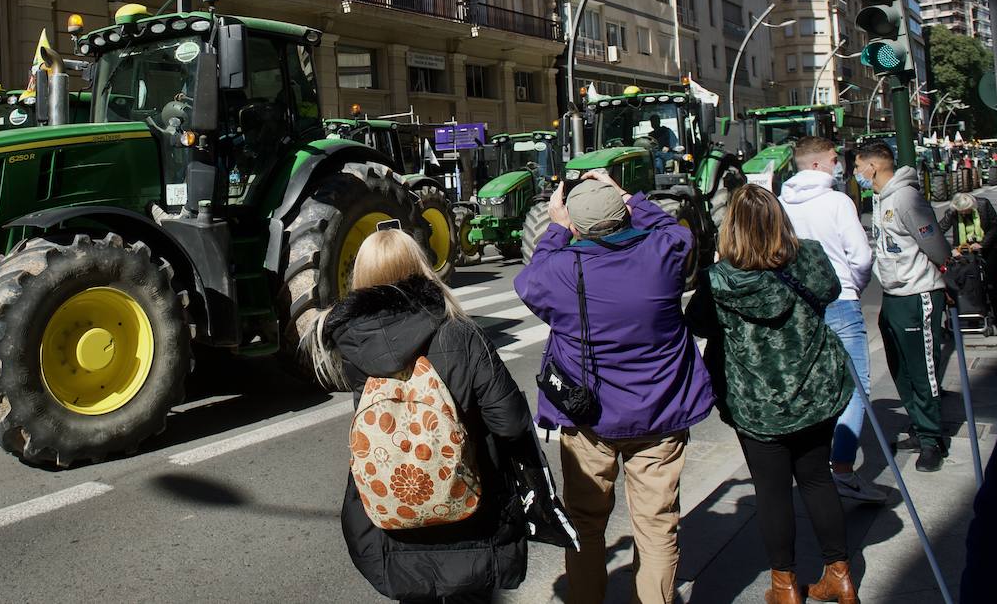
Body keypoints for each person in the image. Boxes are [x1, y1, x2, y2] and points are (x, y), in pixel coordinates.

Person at [307, 227, 565, 603]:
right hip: (471, 514)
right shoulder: (461, 333)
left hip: (396, 515)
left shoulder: (352, 344)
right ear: (420, 267)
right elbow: (509, 422)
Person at [516, 171, 712, 604]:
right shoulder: (664, 252)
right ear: (624, 214)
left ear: (576, 226)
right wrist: (627, 193)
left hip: (589, 421)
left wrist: (554, 227)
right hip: (661, 415)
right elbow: (672, 228)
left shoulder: (560, 270)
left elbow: (530, 278)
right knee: (658, 526)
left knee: (586, 524)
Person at [687, 185, 855, 604]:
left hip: (755, 401)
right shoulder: (810, 255)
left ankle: (785, 586)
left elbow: (698, 324)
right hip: (815, 390)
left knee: (773, 491)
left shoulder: (720, 279)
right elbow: (831, 291)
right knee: (818, 480)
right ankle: (841, 576)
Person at [778, 137, 886, 504]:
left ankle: (812, 465)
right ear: (817, 165)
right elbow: (860, 255)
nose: (839, 164)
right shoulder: (838, 202)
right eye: (833, 159)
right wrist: (852, 287)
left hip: (799, 307)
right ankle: (842, 468)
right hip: (840, 301)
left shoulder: (780, 205)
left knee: (812, 386)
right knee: (855, 385)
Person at [855, 141, 952, 472]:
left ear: (874, 167)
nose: (856, 174)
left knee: (923, 369)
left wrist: (945, 274)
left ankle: (932, 438)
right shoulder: (879, 197)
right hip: (893, 294)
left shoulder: (905, 197)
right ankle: (918, 423)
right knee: (900, 367)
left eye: (858, 167)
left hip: (917, 292)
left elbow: (933, 241)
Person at [941, 191, 997, 315]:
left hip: (988, 249)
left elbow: (995, 226)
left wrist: (982, 244)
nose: (963, 213)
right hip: (965, 252)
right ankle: (972, 310)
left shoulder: (983, 204)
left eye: (966, 210)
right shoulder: (952, 212)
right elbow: (939, 230)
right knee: (969, 282)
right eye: (961, 211)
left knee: (993, 284)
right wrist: (951, 249)